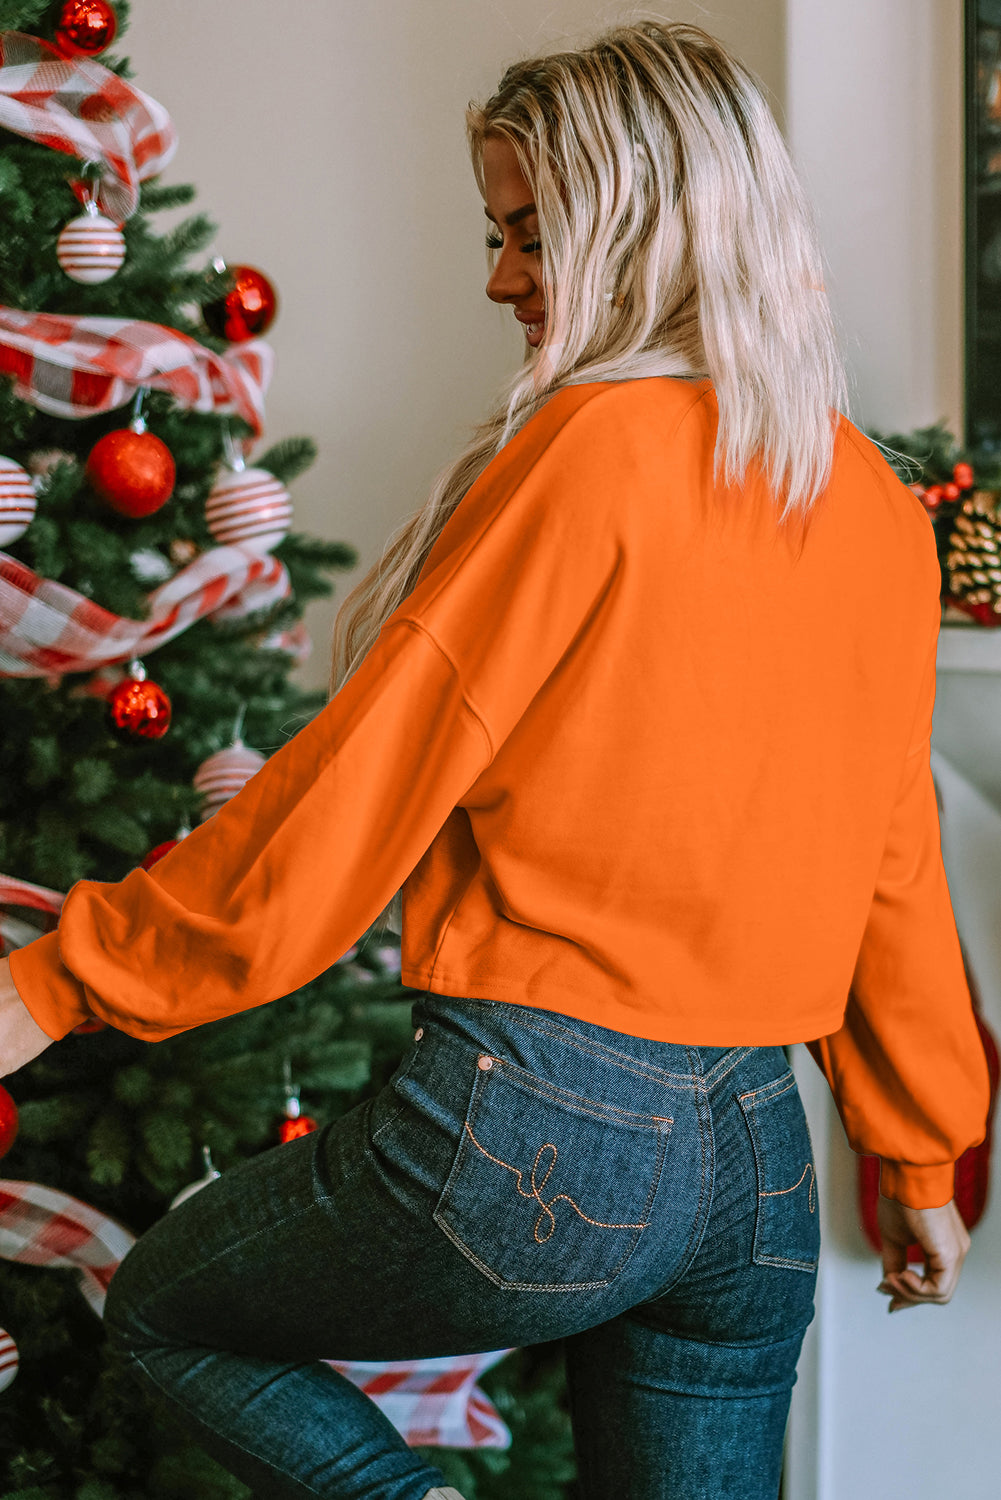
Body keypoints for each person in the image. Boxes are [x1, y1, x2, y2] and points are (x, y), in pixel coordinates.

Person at [0, 19, 990, 1500]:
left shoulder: (595, 449)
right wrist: (919, 1155)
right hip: (758, 1166)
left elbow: (362, 783)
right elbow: (891, 857)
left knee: (166, 1312)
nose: (500, 278)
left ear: (642, 229)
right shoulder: (868, 502)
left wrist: (58, 981)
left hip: (539, 1136)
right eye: (495, 233)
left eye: (533, 235)